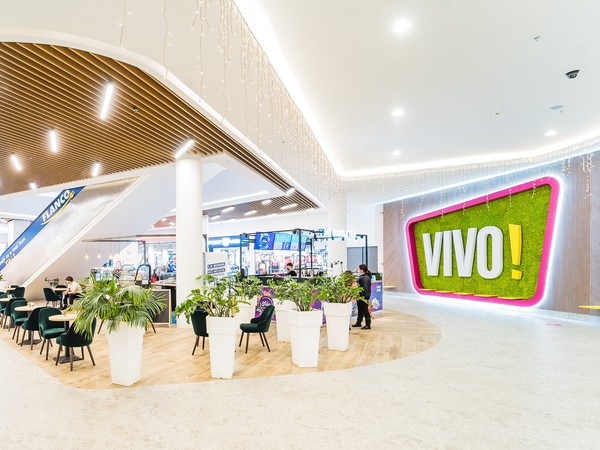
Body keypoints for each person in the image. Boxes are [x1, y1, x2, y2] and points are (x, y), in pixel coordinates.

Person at [352, 264, 372, 330]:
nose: (358, 270)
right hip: (361, 296)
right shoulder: (363, 276)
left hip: (364, 296)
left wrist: (362, 296)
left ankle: (368, 324)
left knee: (365, 310)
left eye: (359, 268)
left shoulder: (365, 277)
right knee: (360, 309)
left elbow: (365, 288)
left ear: (362, 270)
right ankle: (358, 322)